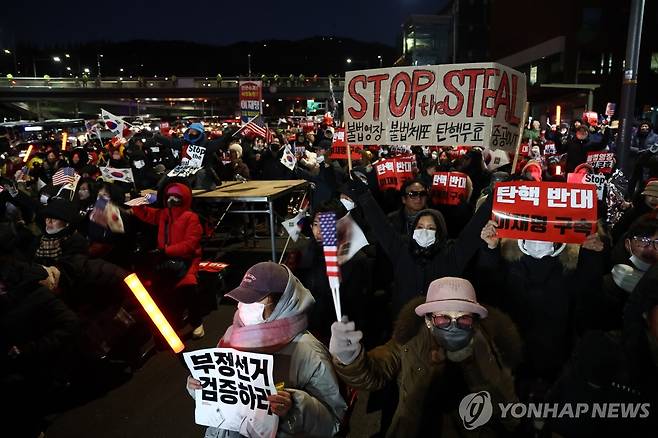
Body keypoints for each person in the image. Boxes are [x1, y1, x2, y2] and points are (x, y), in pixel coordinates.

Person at [329, 277, 521, 438]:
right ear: (429, 321)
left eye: (463, 319)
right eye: (443, 318)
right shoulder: (408, 344)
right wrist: (351, 358)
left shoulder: (487, 348)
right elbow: (374, 373)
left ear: (474, 322)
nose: (453, 325)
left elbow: (506, 404)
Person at [186, 262, 346, 437]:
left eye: (255, 299)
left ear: (282, 302)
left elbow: (333, 422)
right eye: (243, 298)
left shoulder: (308, 351)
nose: (244, 305)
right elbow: (221, 397)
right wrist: (201, 388)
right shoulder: (232, 334)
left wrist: (295, 407)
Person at [347, 171, 494, 314]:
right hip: (404, 321)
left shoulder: (452, 254)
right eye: (420, 227)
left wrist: (494, 198)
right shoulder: (402, 250)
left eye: (431, 228)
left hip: (440, 324)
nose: (424, 231)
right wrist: (364, 196)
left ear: (440, 232)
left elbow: (473, 231)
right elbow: (381, 226)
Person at [130, 181, 204, 338]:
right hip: (165, 259)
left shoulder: (191, 217)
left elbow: (190, 245)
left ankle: (197, 323)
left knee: (188, 288)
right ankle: (170, 321)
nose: (172, 200)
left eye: (176, 197)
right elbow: (145, 214)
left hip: (187, 260)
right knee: (159, 289)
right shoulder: (163, 214)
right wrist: (137, 201)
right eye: (169, 196)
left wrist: (167, 250)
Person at [579, 217, 658, 333]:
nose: (650, 248)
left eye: (657, 243)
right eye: (643, 240)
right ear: (627, 244)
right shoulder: (608, 284)